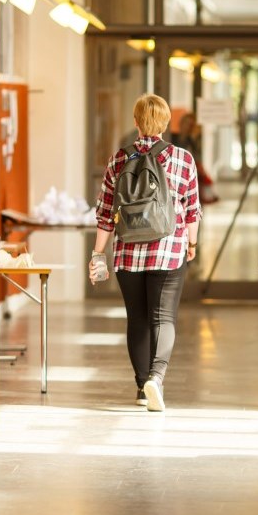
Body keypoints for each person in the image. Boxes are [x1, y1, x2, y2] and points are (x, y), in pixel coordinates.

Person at [90, 94, 202, 412]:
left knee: (137, 319)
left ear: (136, 122)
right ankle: (157, 376)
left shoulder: (118, 159)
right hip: (168, 250)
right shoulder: (183, 159)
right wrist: (191, 244)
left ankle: (141, 387)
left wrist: (97, 254)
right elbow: (192, 210)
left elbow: (104, 213)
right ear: (166, 123)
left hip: (127, 254)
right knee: (162, 317)